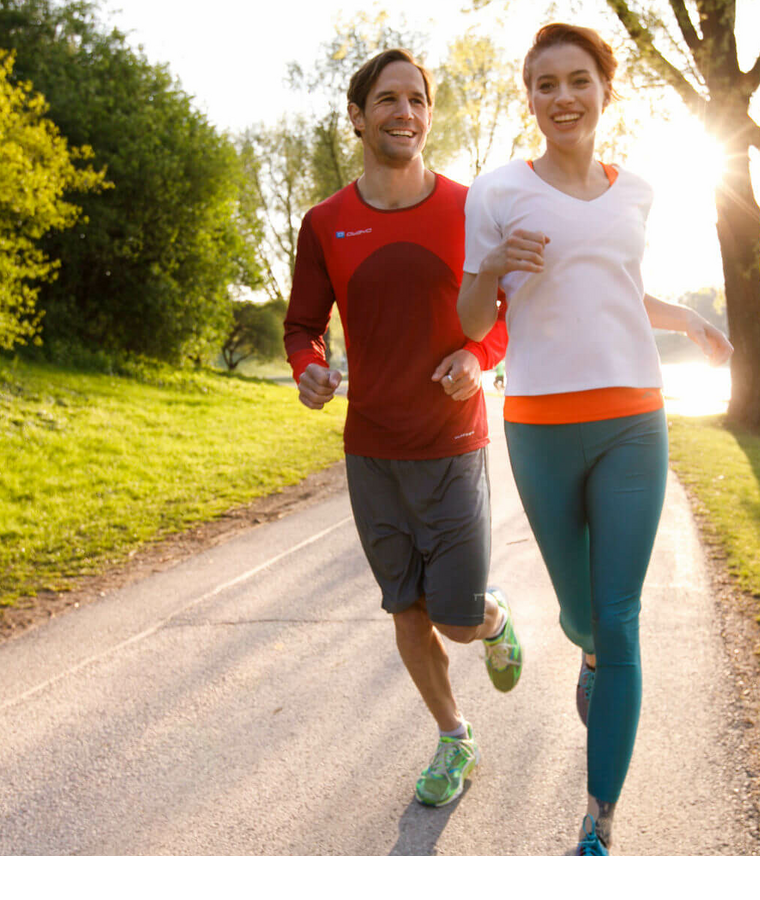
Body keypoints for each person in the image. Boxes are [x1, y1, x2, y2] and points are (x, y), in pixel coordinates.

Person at [457, 23, 733, 855]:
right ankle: (584, 652)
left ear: (607, 92)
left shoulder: (637, 190)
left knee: (619, 617)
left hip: (633, 424)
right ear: (530, 98)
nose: (563, 97)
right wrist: (494, 261)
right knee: (582, 615)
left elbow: (615, 287)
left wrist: (683, 316)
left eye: (579, 80)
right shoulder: (497, 192)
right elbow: (472, 321)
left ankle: (598, 822)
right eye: (545, 84)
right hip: (540, 426)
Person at [284, 49, 520, 809]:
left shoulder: (468, 207)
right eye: (388, 99)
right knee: (404, 608)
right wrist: (308, 370)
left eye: (417, 100)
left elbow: (501, 316)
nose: (406, 112)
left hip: (452, 443)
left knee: (452, 617)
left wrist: (478, 359)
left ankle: (492, 618)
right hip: (371, 452)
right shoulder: (325, 222)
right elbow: (301, 326)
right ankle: (455, 736)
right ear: (357, 116)